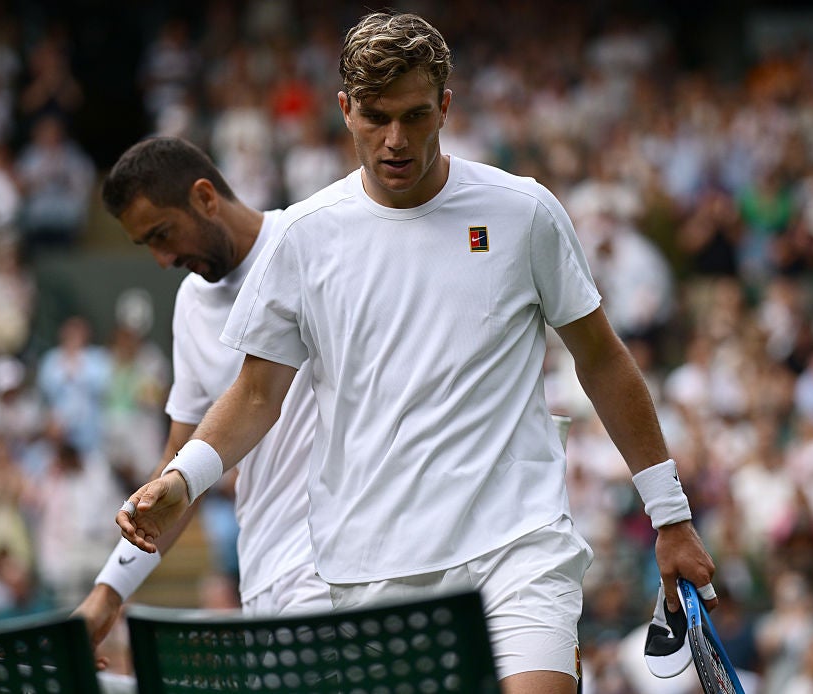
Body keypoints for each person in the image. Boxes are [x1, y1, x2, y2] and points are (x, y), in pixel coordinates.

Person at [117, 12, 716, 693]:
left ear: (446, 108)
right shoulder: (305, 240)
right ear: (345, 111)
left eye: (415, 116)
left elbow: (603, 361)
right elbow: (257, 395)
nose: (395, 140)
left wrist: (669, 514)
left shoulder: (524, 212)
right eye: (375, 117)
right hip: (370, 572)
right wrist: (183, 479)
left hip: (517, 551)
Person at [74, 136, 330, 651]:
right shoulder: (190, 303)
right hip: (263, 576)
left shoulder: (312, 243)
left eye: (163, 234)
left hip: (339, 572)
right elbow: (179, 463)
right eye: (146, 244)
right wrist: (106, 596)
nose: (162, 259)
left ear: (206, 197)